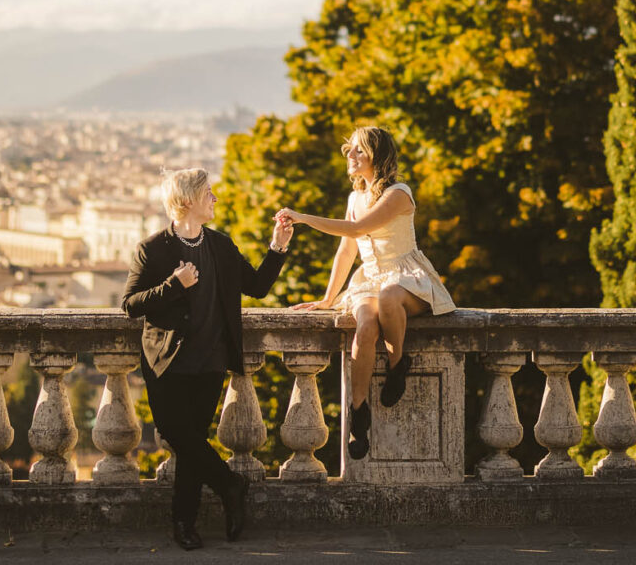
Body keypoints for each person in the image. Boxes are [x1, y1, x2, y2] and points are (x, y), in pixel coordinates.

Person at [123, 167, 293, 551]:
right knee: (177, 435)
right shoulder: (153, 249)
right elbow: (130, 305)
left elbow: (258, 287)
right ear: (187, 201)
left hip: (211, 361)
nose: (215, 199)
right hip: (165, 362)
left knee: (191, 444)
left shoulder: (220, 245)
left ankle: (185, 524)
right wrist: (173, 285)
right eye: (208, 194)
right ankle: (230, 485)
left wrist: (277, 247)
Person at [276, 125, 455, 461]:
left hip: (406, 277)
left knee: (388, 297)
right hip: (369, 279)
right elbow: (347, 250)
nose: (351, 155)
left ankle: (398, 362)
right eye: (351, 149)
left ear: (377, 155)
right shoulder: (354, 198)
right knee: (365, 327)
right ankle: (359, 413)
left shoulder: (398, 193)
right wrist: (328, 299)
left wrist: (301, 218)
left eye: (359, 150)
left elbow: (358, 228)